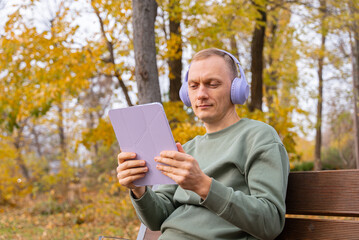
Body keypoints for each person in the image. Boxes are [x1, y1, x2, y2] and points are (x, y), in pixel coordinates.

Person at [116, 48, 290, 240]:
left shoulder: (258, 137)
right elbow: (158, 218)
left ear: (236, 90)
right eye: (193, 86)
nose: (201, 94)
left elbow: (270, 222)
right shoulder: (187, 149)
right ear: (186, 93)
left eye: (212, 84)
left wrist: (203, 185)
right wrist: (138, 188)